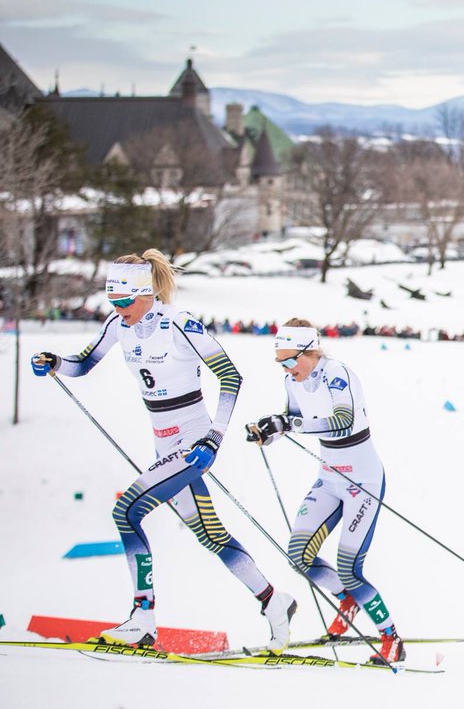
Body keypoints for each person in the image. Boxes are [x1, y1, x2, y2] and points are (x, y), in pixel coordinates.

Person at [30, 250, 295, 650]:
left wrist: (214, 437)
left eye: (124, 302)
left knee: (126, 511)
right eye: (112, 303)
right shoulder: (118, 326)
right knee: (210, 536)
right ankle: (275, 601)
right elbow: (82, 364)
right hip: (164, 442)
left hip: (193, 442)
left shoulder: (178, 324)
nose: (118, 310)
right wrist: (54, 362)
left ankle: (143, 617)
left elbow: (230, 377)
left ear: (145, 294)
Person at [247, 321, 402, 664]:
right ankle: (346, 599)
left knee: (350, 567)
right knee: (298, 555)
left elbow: (342, 421)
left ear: (310, 352)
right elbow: (293, 420)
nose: (287, 369)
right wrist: (269, 431)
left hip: (363, 482)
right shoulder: (293, 380)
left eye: (290, 361)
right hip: (330, 479)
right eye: (281, 362)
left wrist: (289, 424)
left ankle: (391, 637)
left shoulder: (337, 374)